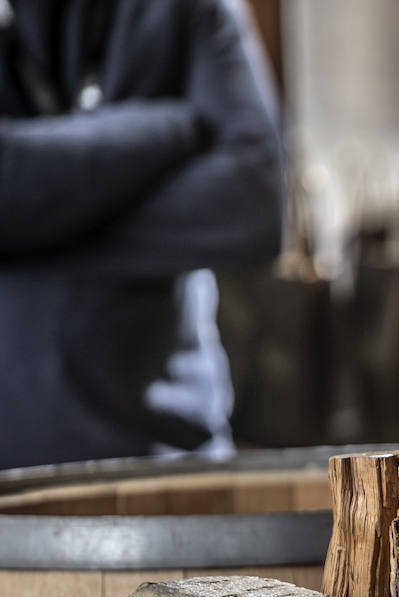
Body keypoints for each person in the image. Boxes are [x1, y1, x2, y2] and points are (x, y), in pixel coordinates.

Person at [0, 0, 285, 470]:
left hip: (174, 464)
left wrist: (31, 223)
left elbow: (252, 207)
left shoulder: (191, 9)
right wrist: (169, 128)